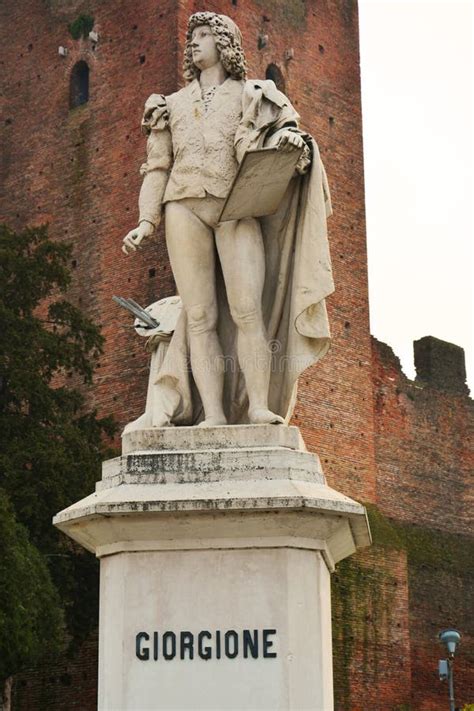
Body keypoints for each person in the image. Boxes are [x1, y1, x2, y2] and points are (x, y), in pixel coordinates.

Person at [122, 12, 334, 429]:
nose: (194, 42)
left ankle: (257, 406)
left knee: (246, 311)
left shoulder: (252, 94)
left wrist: (288, 141)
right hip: (182, 205)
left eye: (204, 35)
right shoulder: (170, 105)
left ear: (224, 43)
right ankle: (214, 415)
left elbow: (280, 136)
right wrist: (146, 221)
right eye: (192, 36)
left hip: (235, 205)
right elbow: (157, 167)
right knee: (200, 317)